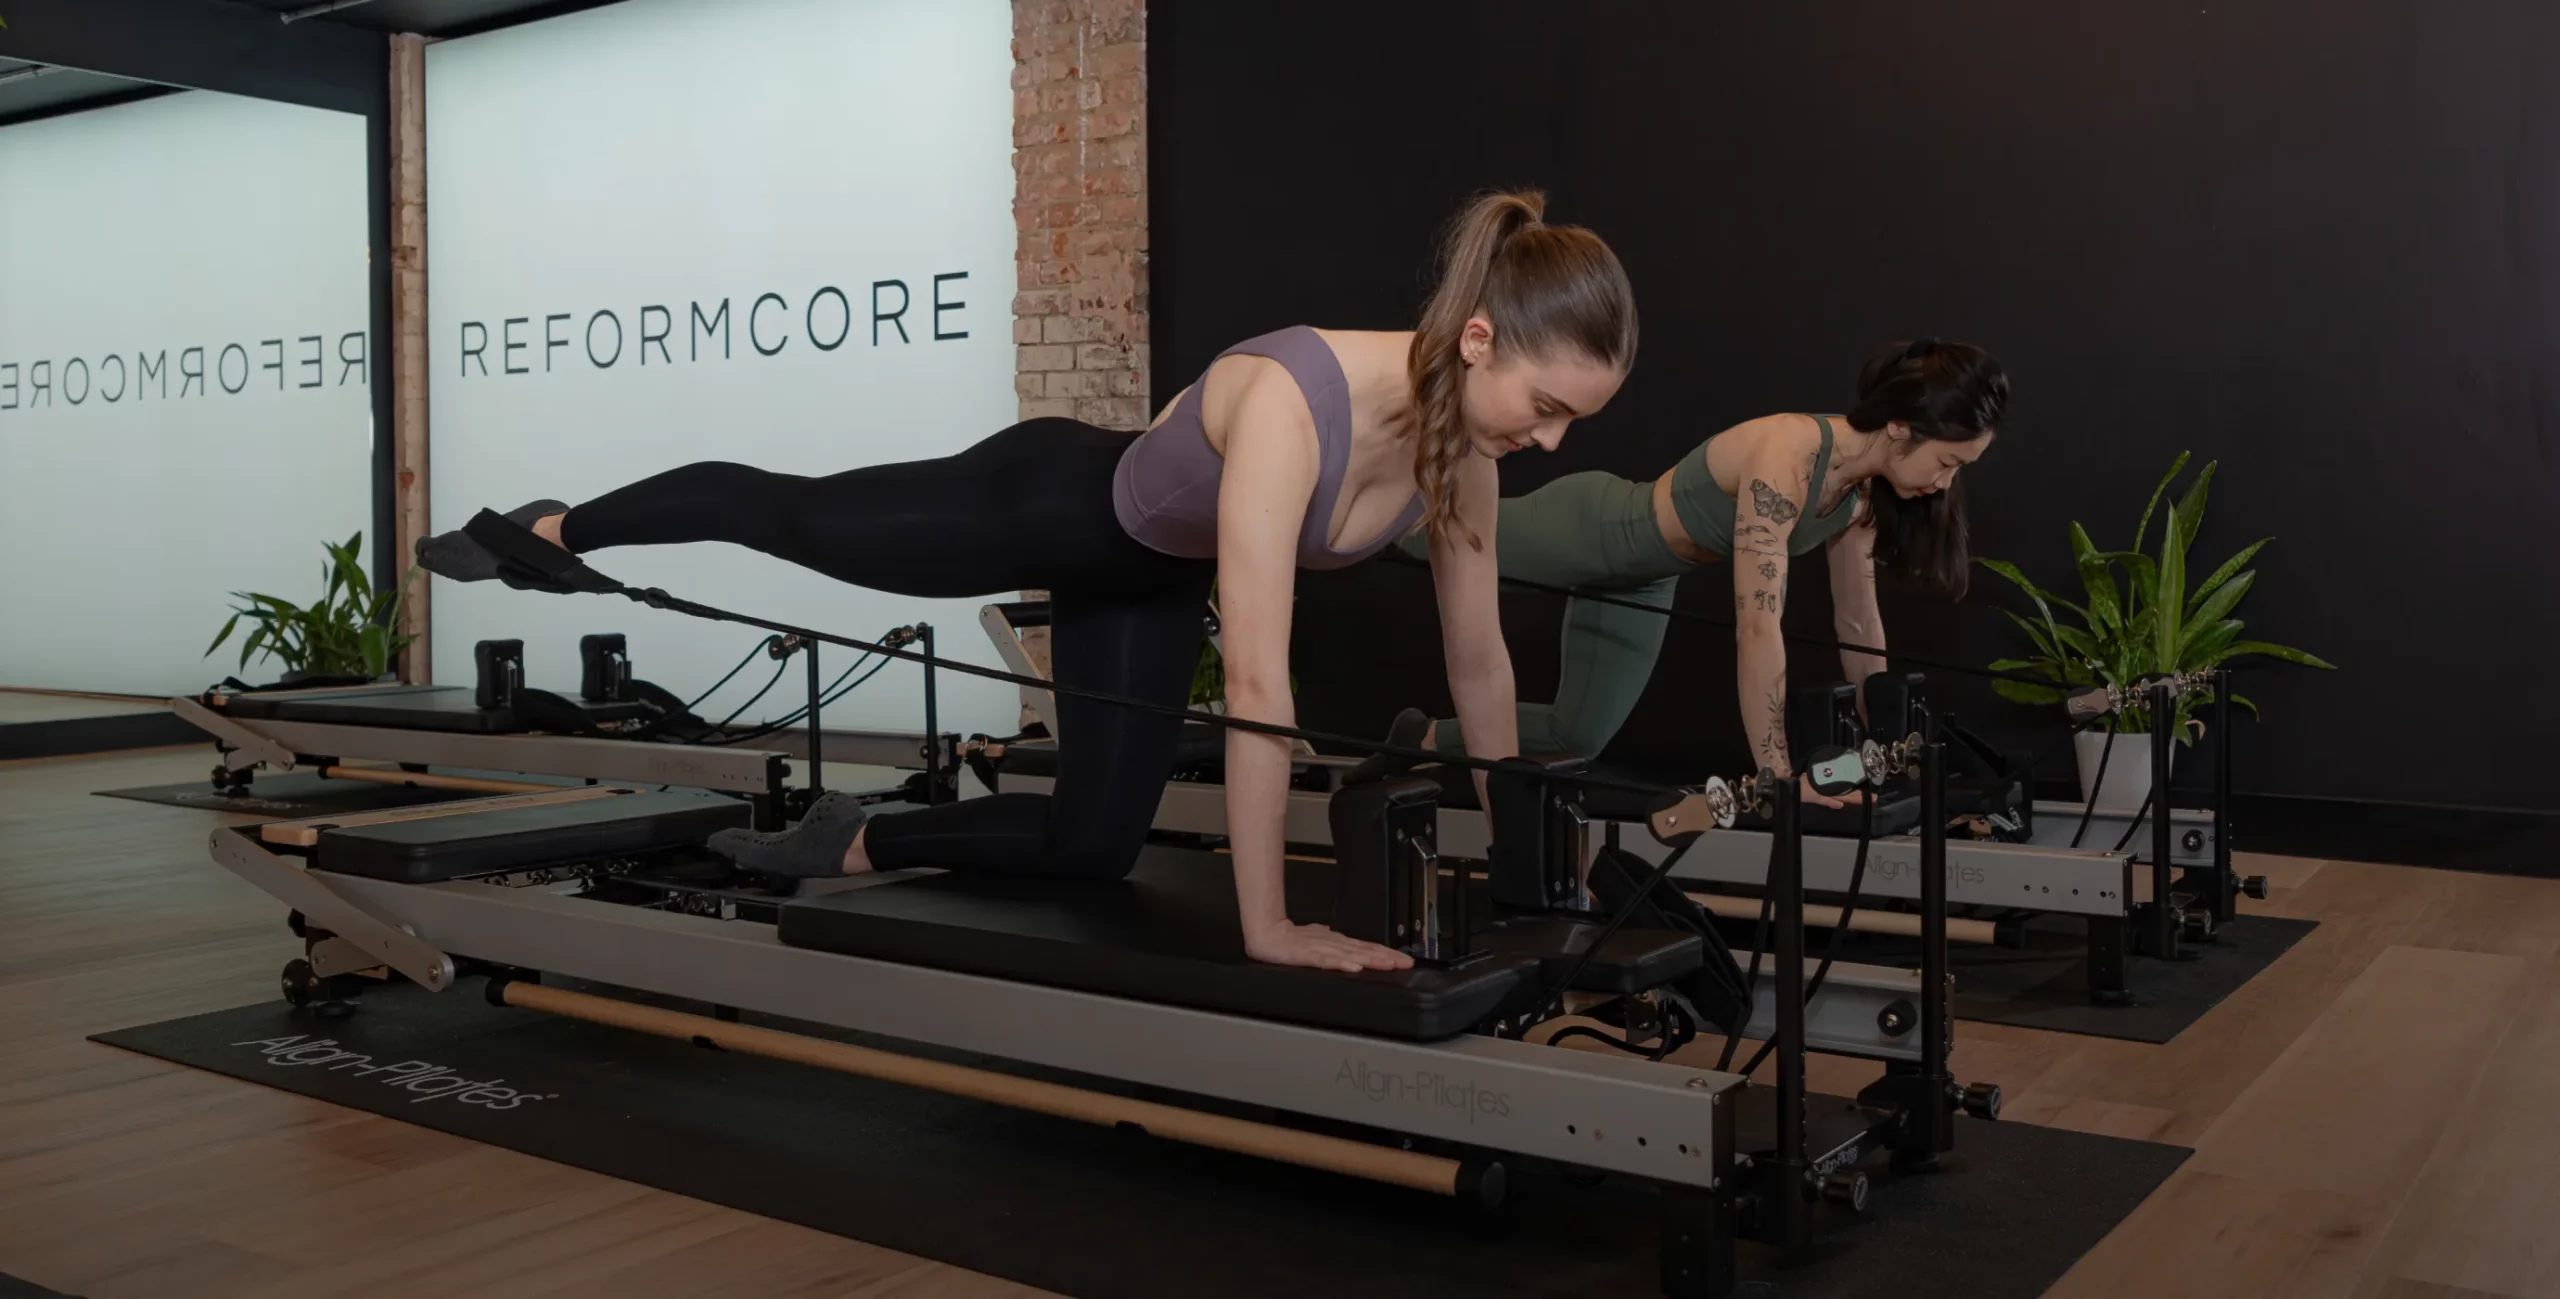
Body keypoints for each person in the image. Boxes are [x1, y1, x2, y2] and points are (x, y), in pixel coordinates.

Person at [414, 190, 1639, 972]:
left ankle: (859, 839)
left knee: (1093, 847)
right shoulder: (1295, 401)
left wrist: (1540, 860)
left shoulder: (1458, 455)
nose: (1548, 445)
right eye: (1542, 410)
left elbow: (1480, 664)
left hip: (1142, 582)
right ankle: (561, 528)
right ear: (1478, 338)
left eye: (1570, 424)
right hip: (1042, 502)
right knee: (787, 515)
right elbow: (1260, 682)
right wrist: (1268, 931)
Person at [1374, 339, 2006, 805]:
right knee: (1399, 536)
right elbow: (1758, 628)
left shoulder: (1862, 499)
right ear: (1900, 428)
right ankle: (1297, 517)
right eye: (1950, 461)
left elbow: (1857, 621)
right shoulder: (1788, 455)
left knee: (1577, 736)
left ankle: (1419, 738)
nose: (1946, 483)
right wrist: (1778, 779)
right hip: (1596, 529)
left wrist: (1884, 747)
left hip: (1645, 580)